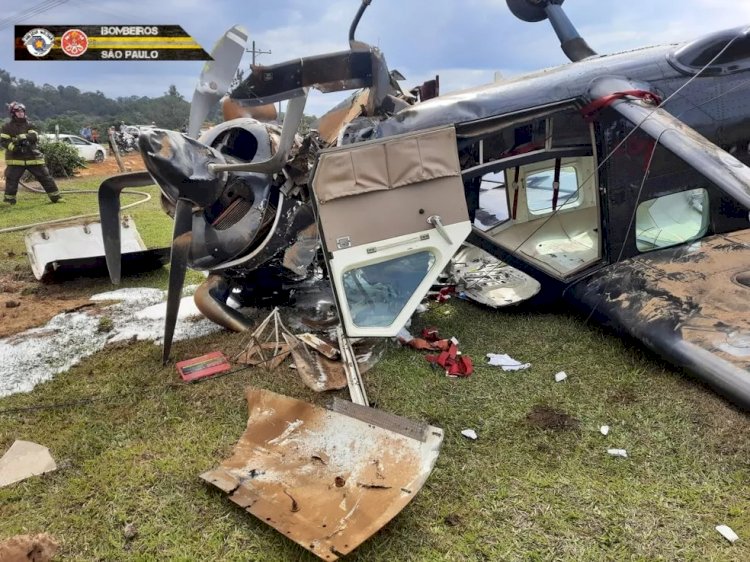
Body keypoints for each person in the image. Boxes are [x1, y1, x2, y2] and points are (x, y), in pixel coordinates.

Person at [0, 102, 62, 205]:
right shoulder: (6, 127)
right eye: (18, 111)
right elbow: (3, 141)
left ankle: (56, 197)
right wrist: (14, 147)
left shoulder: (30, 124)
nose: (20, 113)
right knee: (11, 179)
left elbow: (34, 136)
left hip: (33, 156)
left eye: (22, 111)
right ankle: (9, 200)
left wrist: (23, 137)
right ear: (13, 113)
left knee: (45, 177)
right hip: (15, 158)